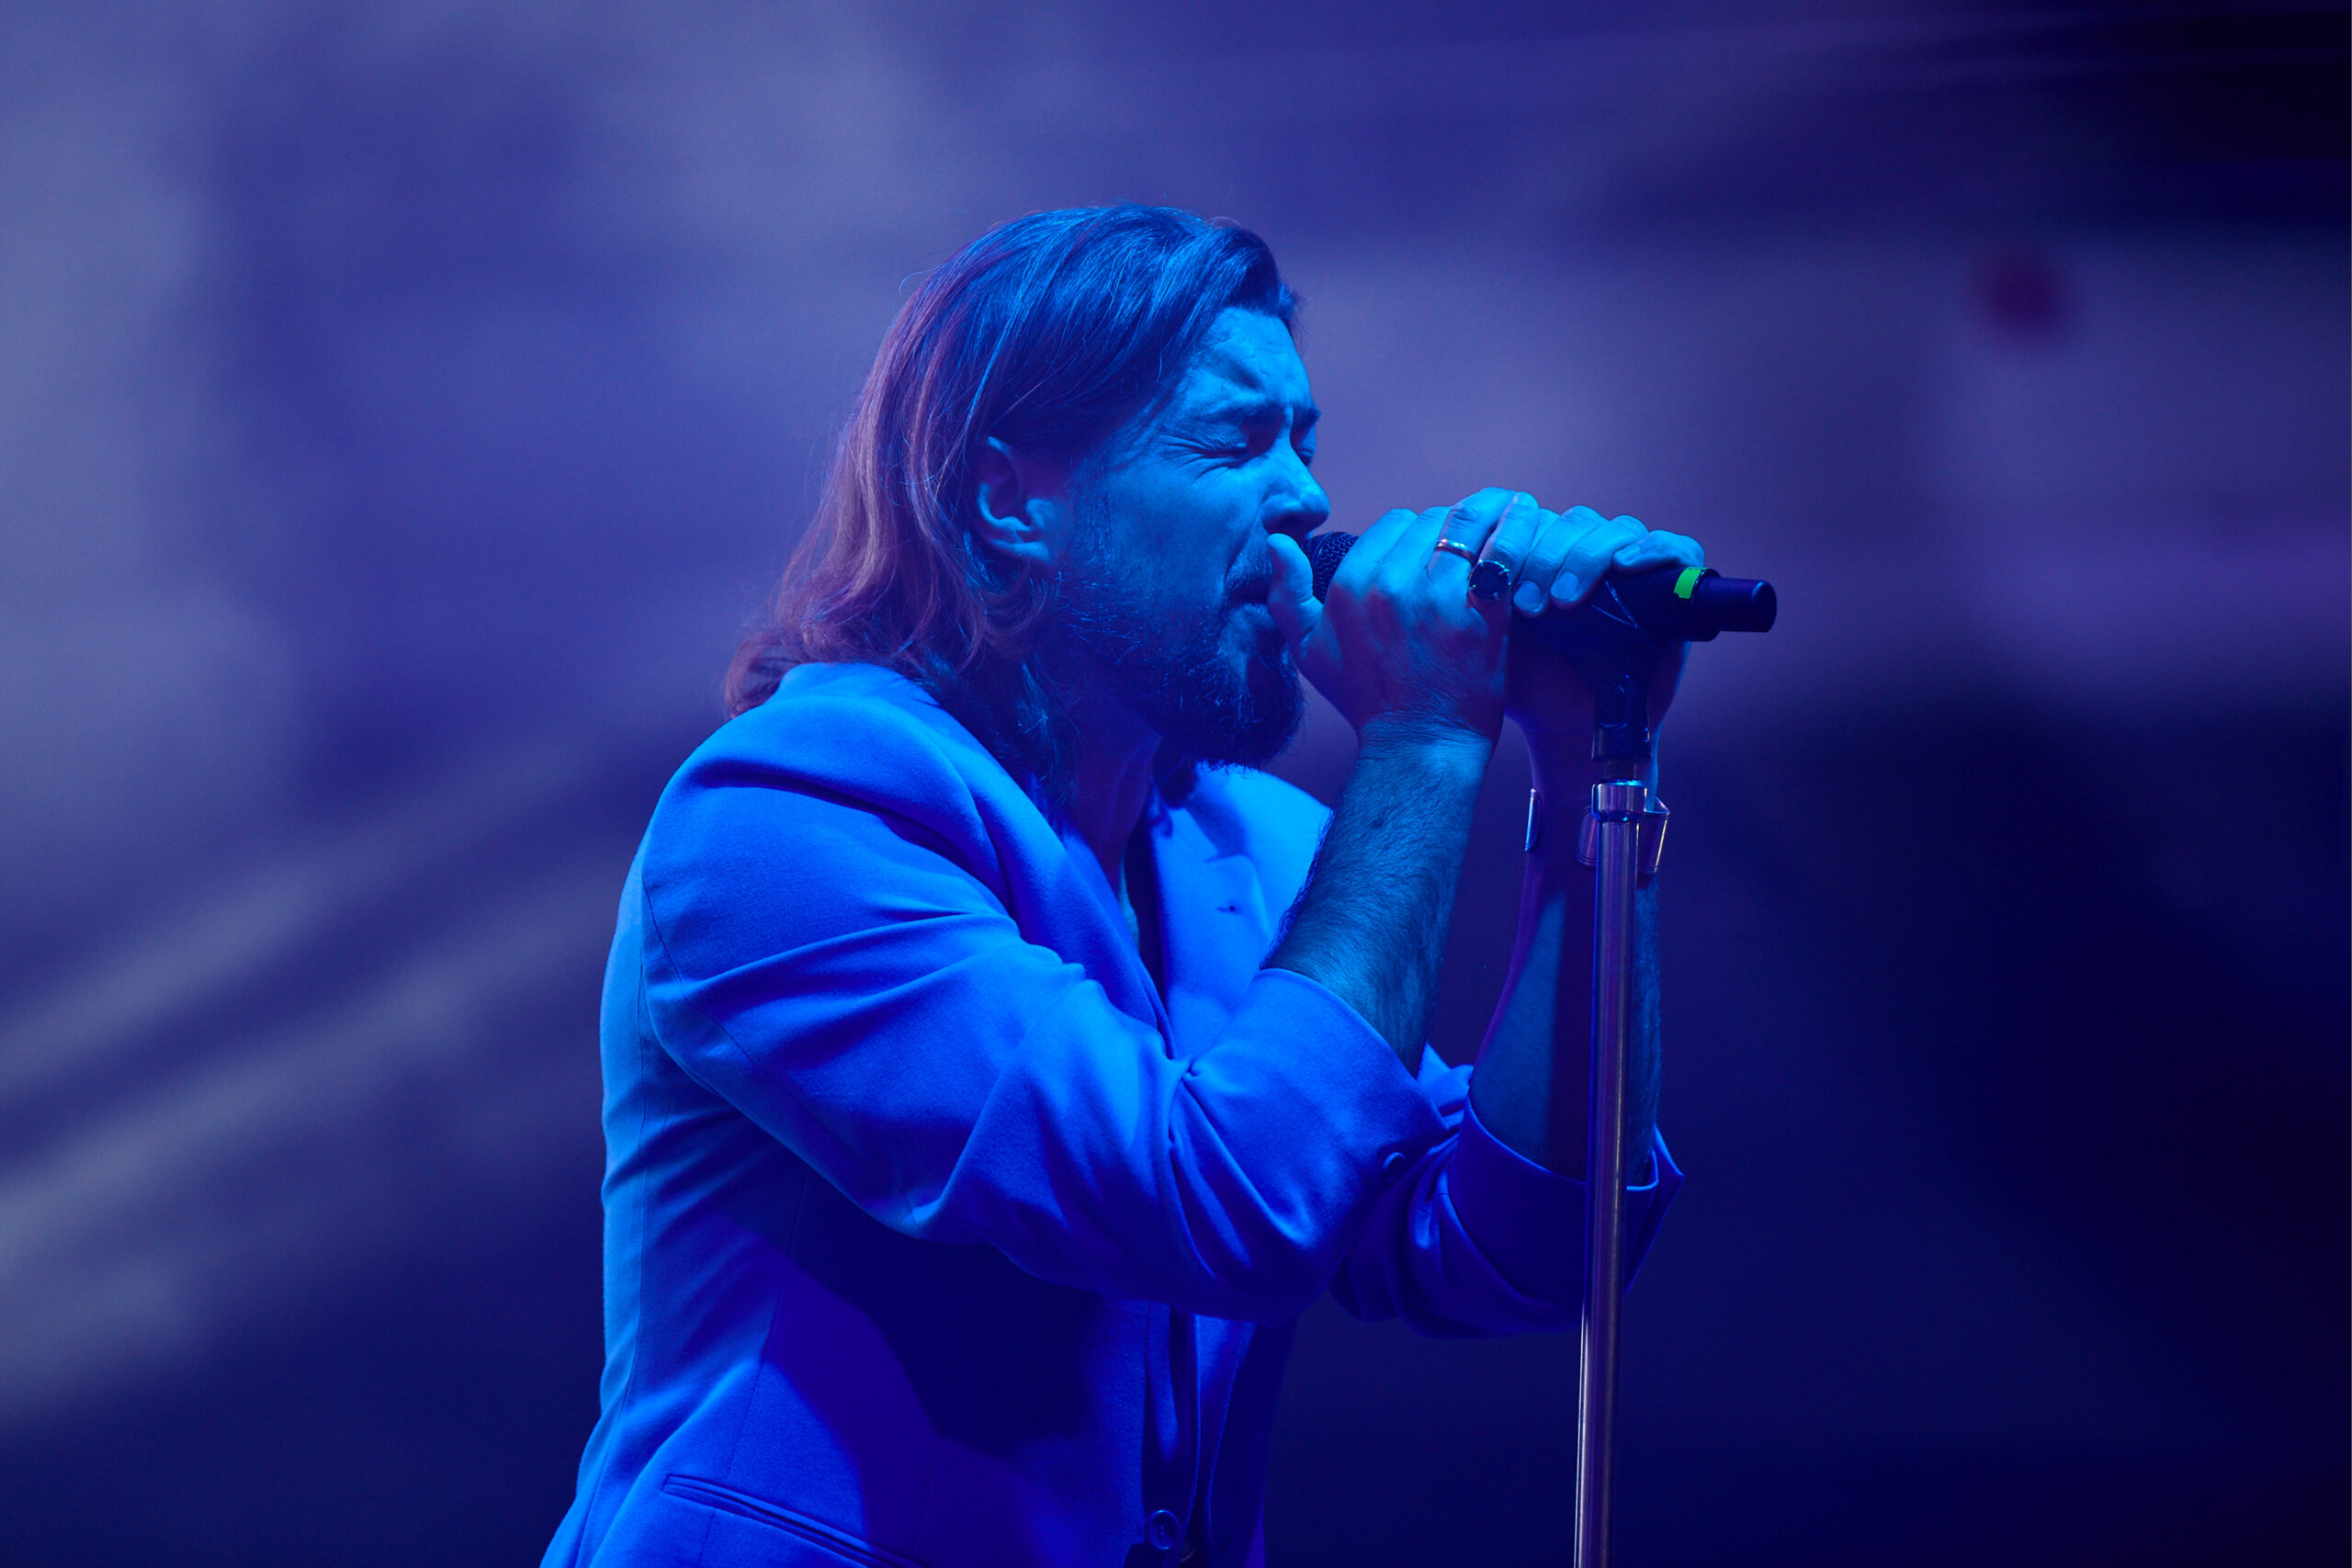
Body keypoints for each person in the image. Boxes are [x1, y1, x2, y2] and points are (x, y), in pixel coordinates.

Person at [541, 204, 1705, 1568]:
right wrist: (1427, 738)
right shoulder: (790, 816)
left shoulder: (1253, 849)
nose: (1305, 500)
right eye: (1233, 442)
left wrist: (1583, 768)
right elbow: (1223, 1200)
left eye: (1305, 441)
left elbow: (1520, 1250)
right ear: (1009, 503)